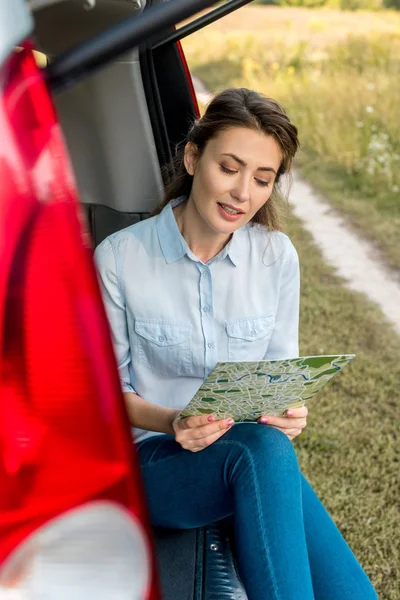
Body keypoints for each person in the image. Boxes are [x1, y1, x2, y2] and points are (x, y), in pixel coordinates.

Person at [94, 88, 377, 600]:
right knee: (259, 454)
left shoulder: (276, 257)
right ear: (192, 157)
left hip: (249, 451)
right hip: (151, 463)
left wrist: (287, 410)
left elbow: (277, 372)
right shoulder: (118, 259)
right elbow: (106, 396)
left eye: (262, 179)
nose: (242, 192)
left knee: (354, 593)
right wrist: (174, 422)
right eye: (229, 167)